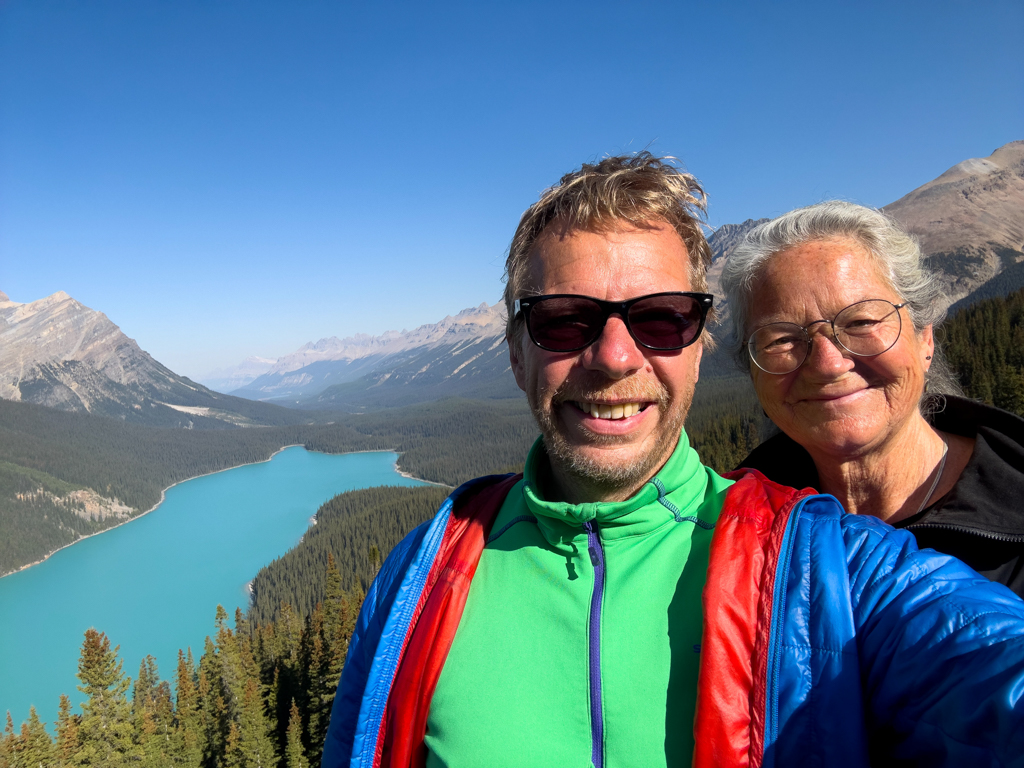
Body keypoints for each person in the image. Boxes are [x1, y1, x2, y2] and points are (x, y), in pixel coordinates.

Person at [322, 155, 1024, 768]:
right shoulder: (423, 575)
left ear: (698, 345)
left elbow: (981, 657)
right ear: (515, 350)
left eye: (661, 318)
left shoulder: (823, 560)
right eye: (563, 319)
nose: (615, 356)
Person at [723, 201, 1024, 598]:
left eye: (861, 322)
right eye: (782, 339)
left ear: (925, 339)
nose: (828, 364)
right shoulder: (726, 532)